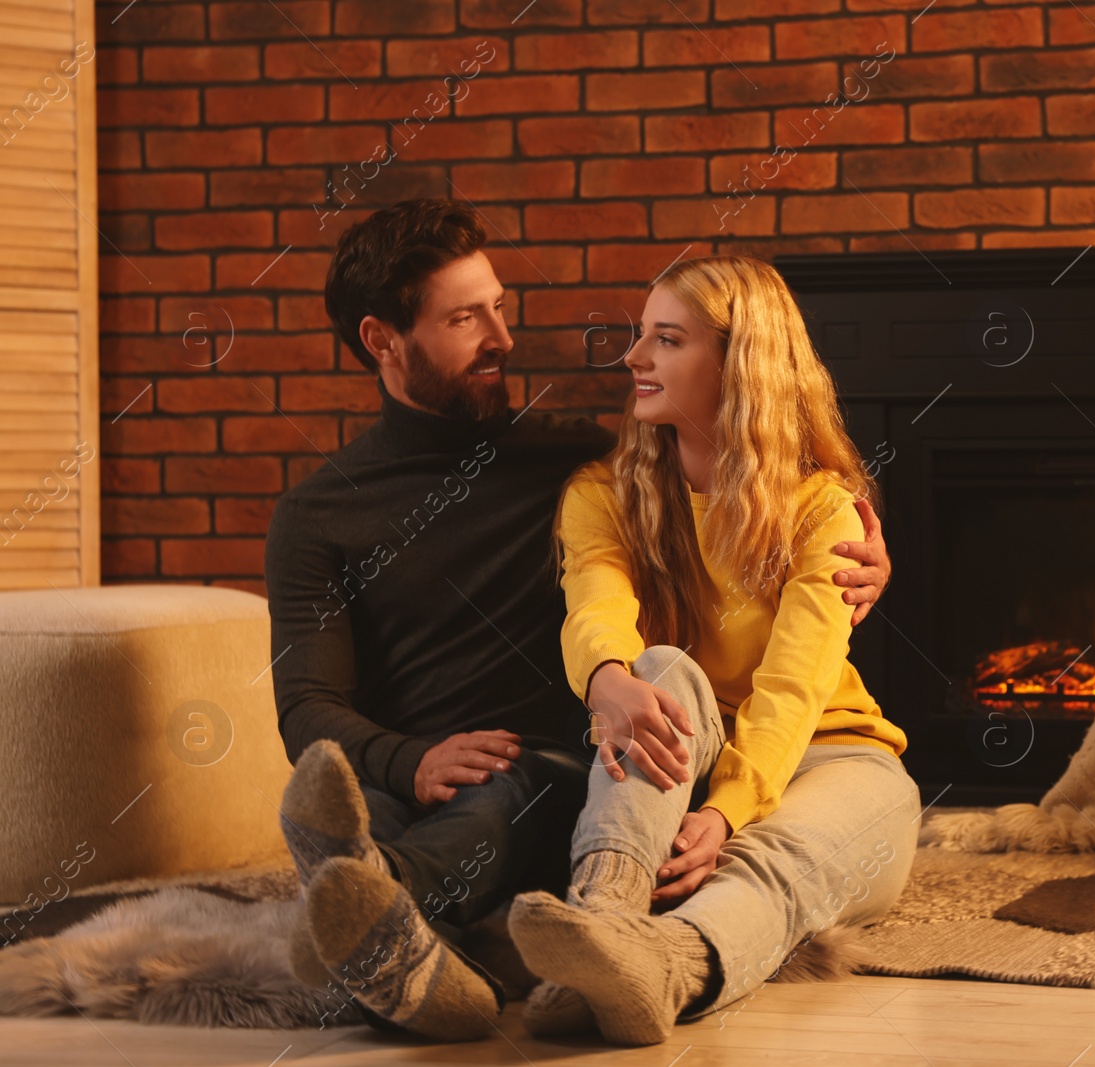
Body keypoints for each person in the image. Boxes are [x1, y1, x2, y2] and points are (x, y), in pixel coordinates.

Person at [264, 201, 895, 1040]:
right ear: (383, 340)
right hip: (436, 768)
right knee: (360, 811)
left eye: (498, 306)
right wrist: (412, 760)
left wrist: (860, 556)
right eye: (465, 318)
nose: (502, 336)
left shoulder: (570, 461)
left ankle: (393, 916)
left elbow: (748, 581)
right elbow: (306, 702)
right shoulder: (319, 512)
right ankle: (414, 961)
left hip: (561, 767)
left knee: (533, 776)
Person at [505, 254, 923, 1046]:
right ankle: (606, 913)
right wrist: (606, 681)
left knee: (770, 853)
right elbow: (594, 603)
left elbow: (794, 691)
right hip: (684, 756)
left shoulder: (823, 509)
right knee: (656, 668)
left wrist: (728, 811)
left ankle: (659, 967)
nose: (634, 358)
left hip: (833, 757)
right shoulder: (602, 493)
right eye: (641, 336)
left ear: (740, 366)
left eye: (666, 339)